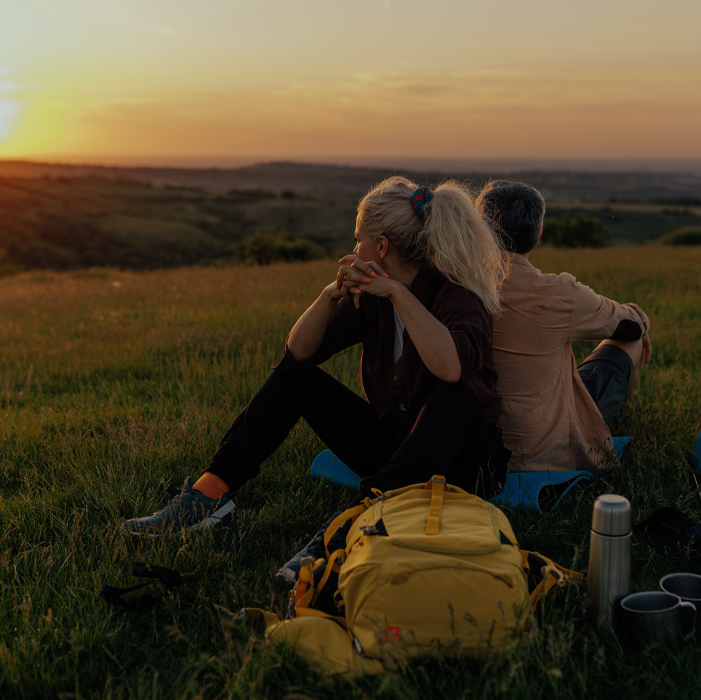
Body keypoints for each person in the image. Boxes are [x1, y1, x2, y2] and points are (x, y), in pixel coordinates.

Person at [122, 176, 510, 540]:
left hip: (465, 465)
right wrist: (329, 295)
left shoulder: (455, 294)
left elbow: (450, 367)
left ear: (381, 247)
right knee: (297, 379)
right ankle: (208, 496)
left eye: (358, 239)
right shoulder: (369, 297)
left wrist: (397, 293)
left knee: (454, 398)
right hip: (395, 449)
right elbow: (298, 353)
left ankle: (355, 523)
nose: (353, 248)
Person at [478, 181, 649, 472]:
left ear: (480, 230)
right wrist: (636, 313)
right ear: (539, 233)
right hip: (545, 446)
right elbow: (631, 327)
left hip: (479, 442)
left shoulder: (462, 286)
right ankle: (609, 426)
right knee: (632, 340)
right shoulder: (562, 293)